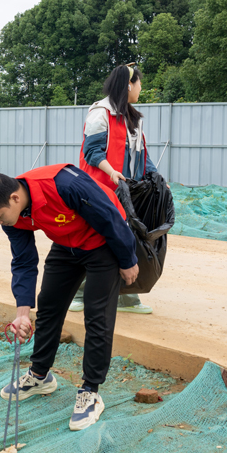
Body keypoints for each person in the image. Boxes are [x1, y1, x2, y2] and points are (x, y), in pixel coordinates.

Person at [0, 164, 138, 431]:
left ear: (14, 198)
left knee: (97, 315)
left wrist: (127, 258)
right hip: (67, 243)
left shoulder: (64, 185)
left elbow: (109, 217)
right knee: (48, 306)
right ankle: (40, 375)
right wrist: (22, 313)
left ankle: (91, 391)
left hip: (103, 241)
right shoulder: (12, 216)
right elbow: (24, 261)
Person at [70, 64, 159, 315]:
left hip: (125, 191)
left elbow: (142, 155)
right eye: (139, 83)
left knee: (130, 239)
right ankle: (78, 292)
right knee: (97, 240)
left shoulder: (132, 117)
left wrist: (156, 178)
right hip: (98, 189)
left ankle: (127, 297)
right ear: (129, 85)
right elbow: (92, 151)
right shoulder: (100, 113)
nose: (141, 88)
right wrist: (111, 173)